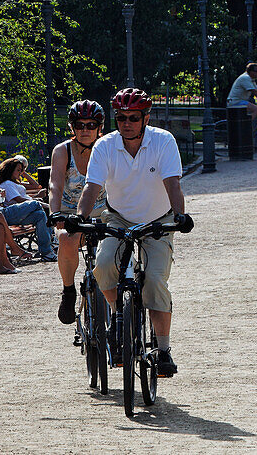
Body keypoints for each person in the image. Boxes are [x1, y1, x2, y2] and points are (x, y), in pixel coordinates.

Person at [78, 88, 185, 377]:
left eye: (133, 118)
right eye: (121, 117)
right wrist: (80, 217)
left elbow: (173, 183)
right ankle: (118, 315)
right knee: (103, 265)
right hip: (119, 217)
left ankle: (163, 351)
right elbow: (92, 187)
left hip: (157, 220)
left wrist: (180, 216)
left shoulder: (163, 141)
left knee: (154, 280)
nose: (127, 123)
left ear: (145, 118)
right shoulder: (105, 146)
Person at [50, 100, 109, 325]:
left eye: (91, 124)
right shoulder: (63, 150)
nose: (85, 129)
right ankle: (68, 291)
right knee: (66, 238)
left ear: (99, 127)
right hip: (69, 213)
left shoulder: (107, 147)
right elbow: (55, 184)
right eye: (80, 124)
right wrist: (55, 213)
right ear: (72, 127)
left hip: (102, 213)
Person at [0, 158, 56, 261]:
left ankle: (47, 252)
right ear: (10, 170)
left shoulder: (15, 183)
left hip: (20, 213)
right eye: (18, 170)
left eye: (21, 170)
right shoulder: (7, 183)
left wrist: (23, 172)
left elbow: (35, 185)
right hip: (9, 213)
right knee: (36, 205)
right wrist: (40, 202)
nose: (20, 172)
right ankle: (54, 238)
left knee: (40, 215)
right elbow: (19, 200)